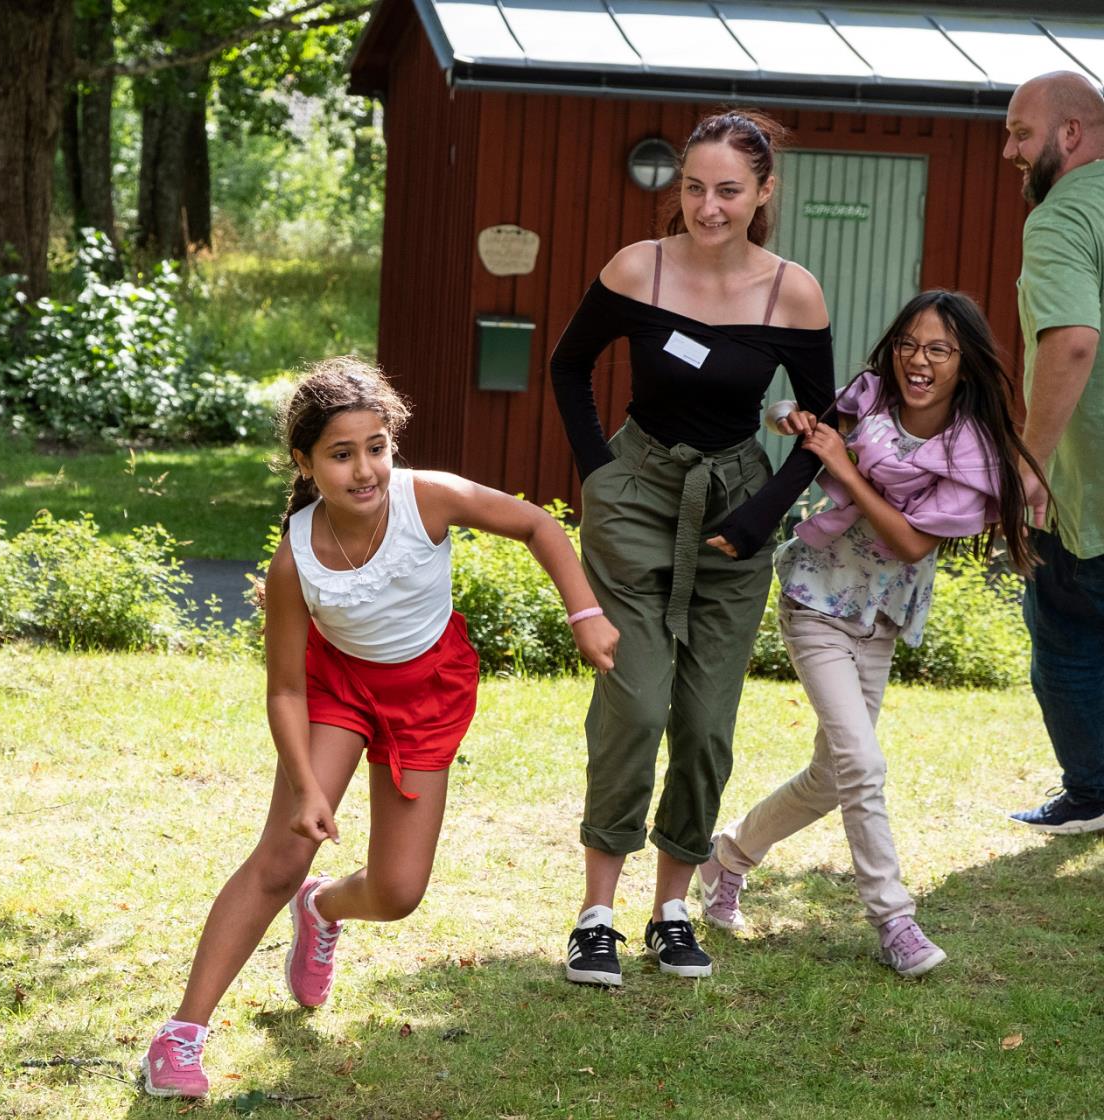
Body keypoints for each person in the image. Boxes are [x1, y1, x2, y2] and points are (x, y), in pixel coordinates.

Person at [141, 359, 619, 1098]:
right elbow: (286, 688)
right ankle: (180, 1036)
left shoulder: (427, 499)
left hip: (427, 691)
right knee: (281, 857)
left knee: (398, 892)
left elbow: (533, 524)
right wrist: (305, 787)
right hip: (336, 688)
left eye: (376, 446)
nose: (364, 469)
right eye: (340, 454)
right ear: (305, 463)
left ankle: (324, 909)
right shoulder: (294, 559)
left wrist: (585, 615)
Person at [547, 109, 835, 986]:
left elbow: (826, 425)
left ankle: (671, 909)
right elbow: (568, 367)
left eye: (730, 191)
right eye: (696, 187)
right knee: (634, 708)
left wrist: (764, 515)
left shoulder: (794, 290)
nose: (709, 207)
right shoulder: (641, 266)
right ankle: (596, 914)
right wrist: (603, 477)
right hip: (637, 495)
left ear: (764, 194)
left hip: (735, 508)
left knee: (706, 724)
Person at [698, 291, 1043, 976]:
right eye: (909, 344)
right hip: (815, 598)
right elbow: (788, 417)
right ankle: (893, 919)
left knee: (834, 775)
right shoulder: (869, 396)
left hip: (879, 617)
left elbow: (912, 543)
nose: (918, 360)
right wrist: (789, 416)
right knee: (863, 764)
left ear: (964, 365)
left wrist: (847, 466)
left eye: (938, 349)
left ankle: (726, 856)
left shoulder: (969, 452)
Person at [1001, 71, 1104, 834]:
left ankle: (1094, 793)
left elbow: (1070, 341)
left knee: (1064, 628)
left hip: (1089, 491)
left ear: (1070, 135)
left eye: (1020, 132)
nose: (1009, 148)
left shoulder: (1063, 217)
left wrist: (1031, 467)